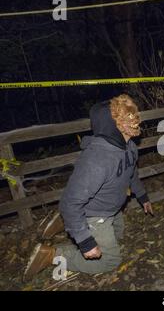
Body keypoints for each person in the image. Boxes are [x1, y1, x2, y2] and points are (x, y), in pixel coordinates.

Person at [24, 94, 153, 279]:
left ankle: (70, 222)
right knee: (110, 260)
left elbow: (130, 174)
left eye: (134, 114)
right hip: (96, 213)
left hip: (112, 208)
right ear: (112, 125)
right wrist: (85, 242)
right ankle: (52, 254)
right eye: (128, 117)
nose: (135, 120)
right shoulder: (97, 159)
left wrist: (142, 196)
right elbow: (70, 202)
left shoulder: (129, 146)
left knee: (118, 236)